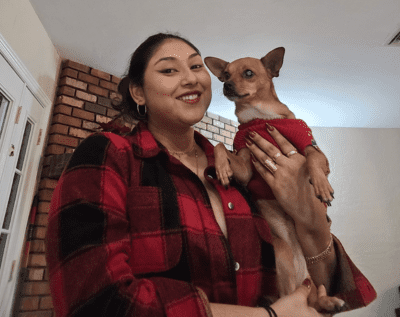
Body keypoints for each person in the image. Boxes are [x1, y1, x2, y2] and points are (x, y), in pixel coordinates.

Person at [45, 33, 376, 317]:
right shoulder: (110, 154)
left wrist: (311, 220)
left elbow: (328, 290)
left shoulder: (235, 168)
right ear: (138, 92)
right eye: (169, 70)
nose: (191, 78)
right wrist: (267, 315)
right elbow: (93, 301)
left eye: (195, 66)